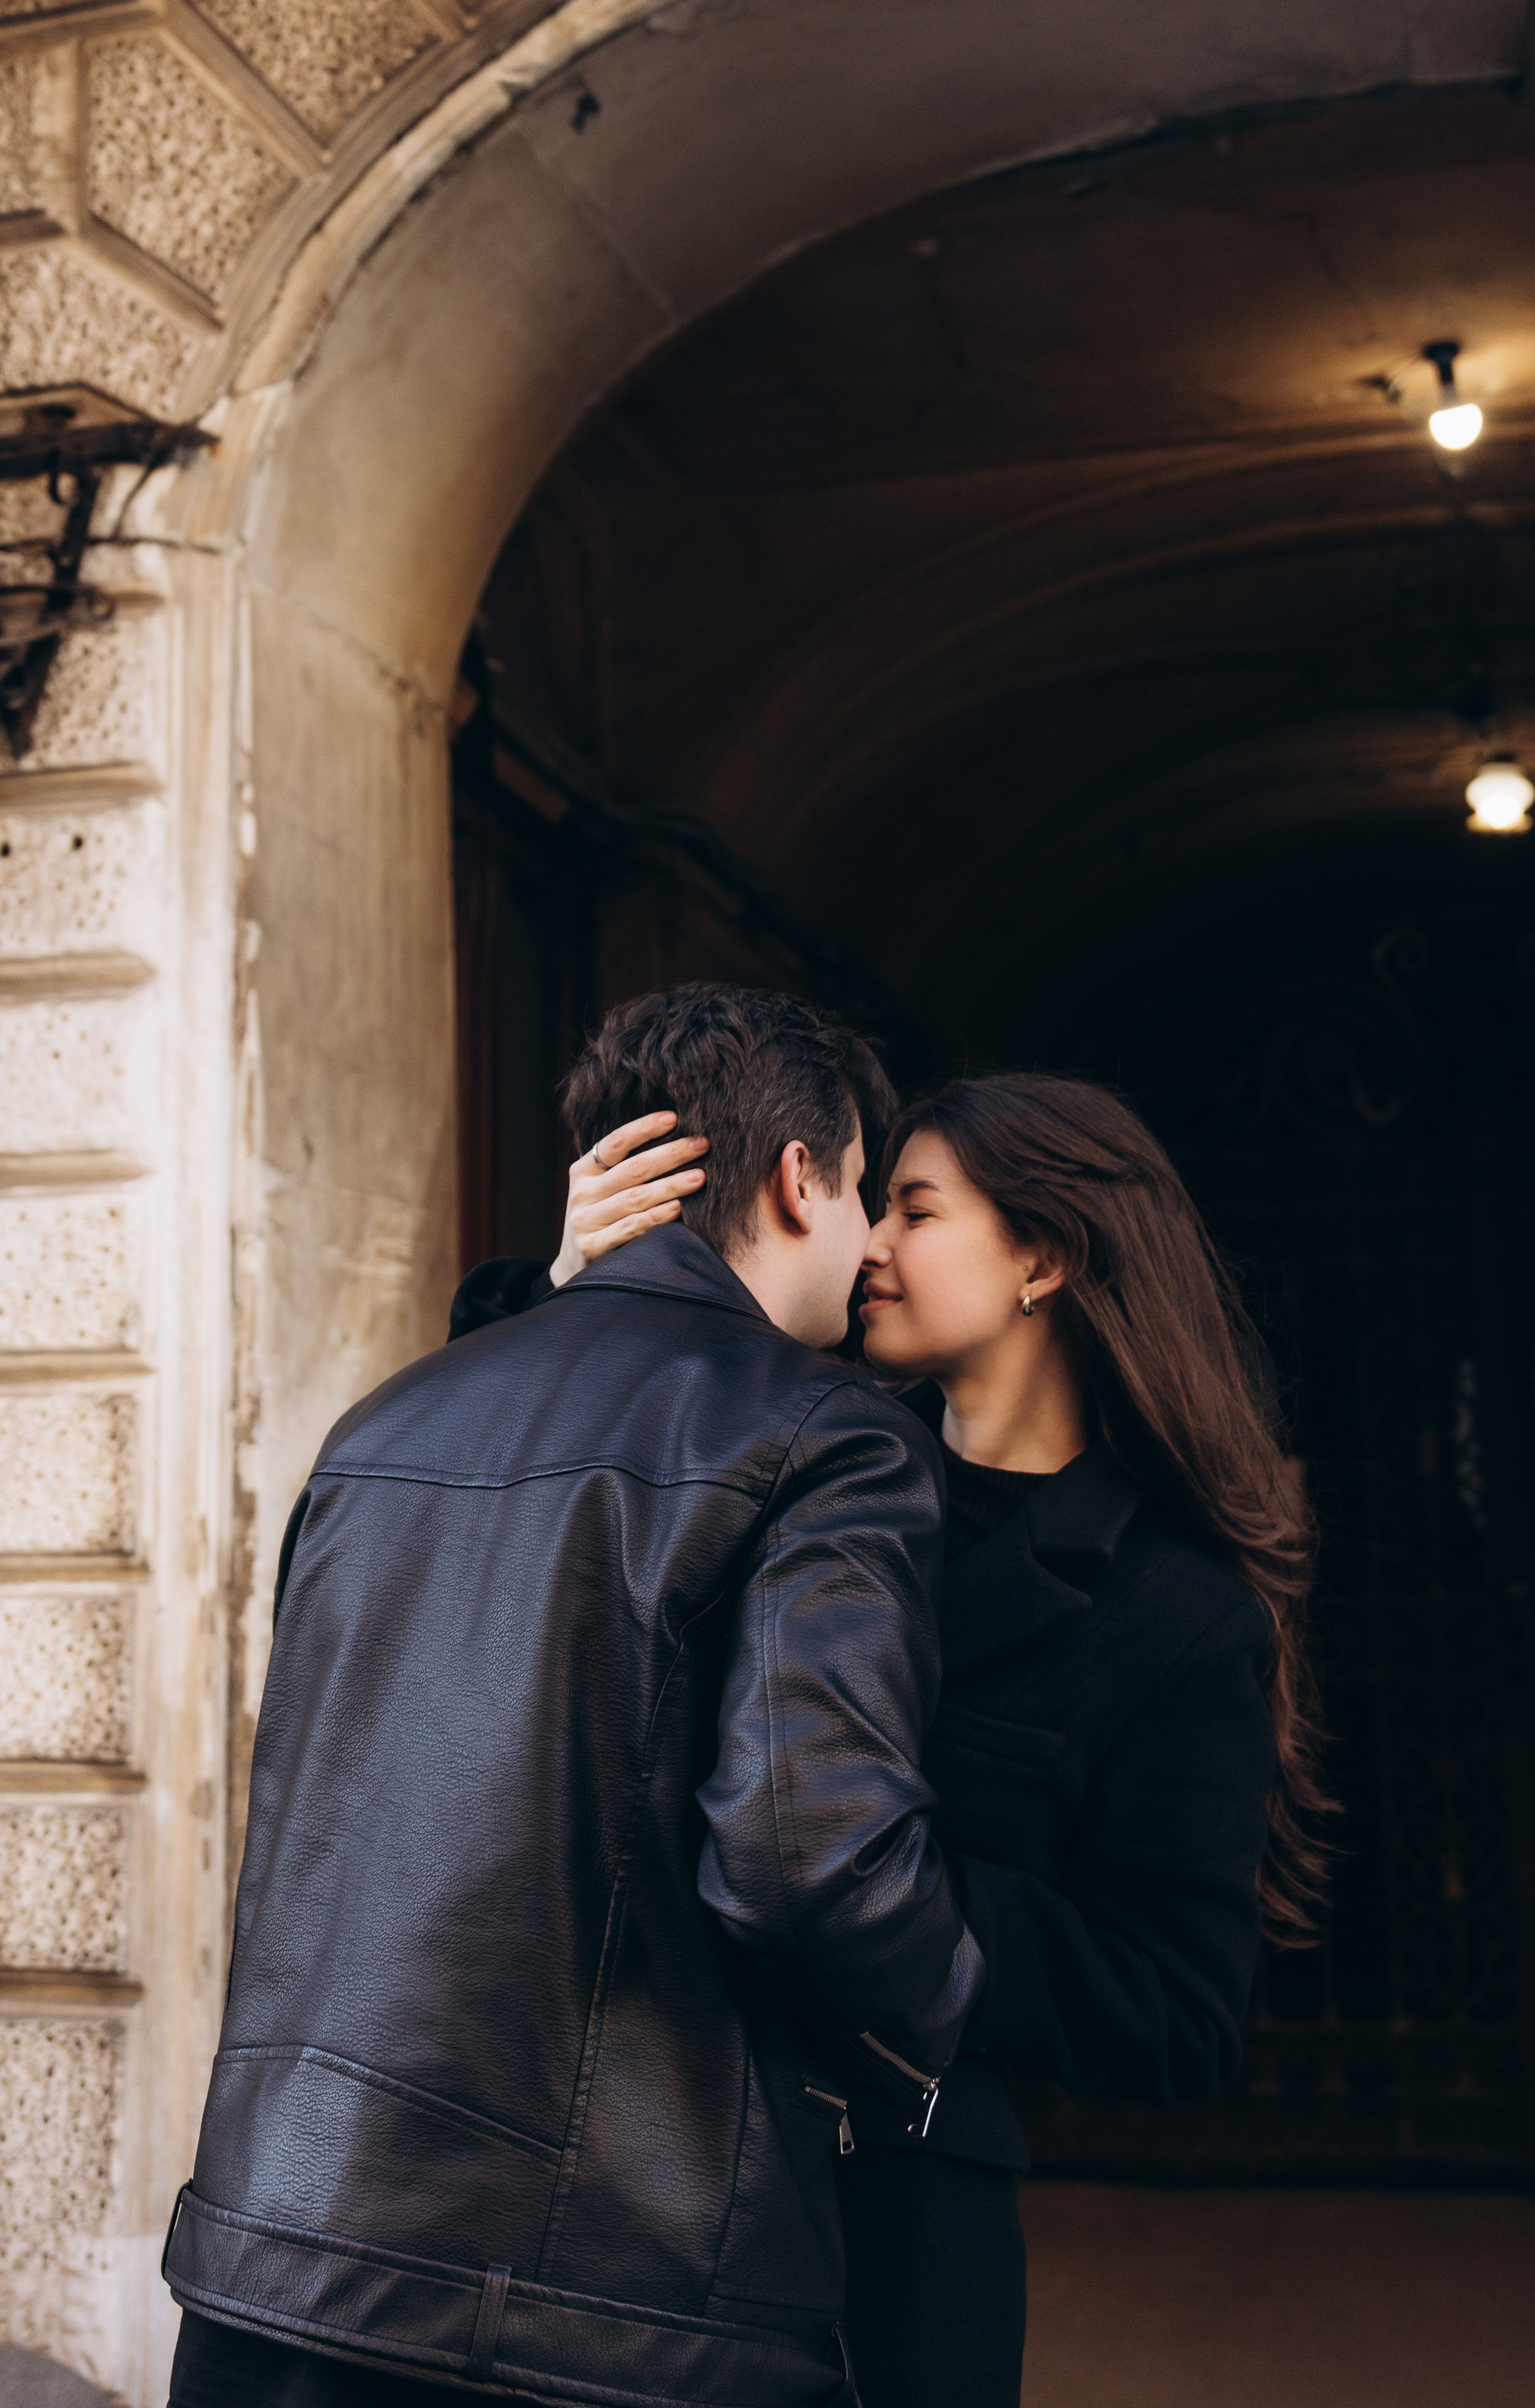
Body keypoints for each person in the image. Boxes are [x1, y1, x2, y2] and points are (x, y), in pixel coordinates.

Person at [165, 983, 985, 2408]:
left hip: (270, 2270)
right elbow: (811, 1856)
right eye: (865, 1194)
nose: (868, 1251)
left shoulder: (382, 1424)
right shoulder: (825, 1437)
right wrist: (942, 2021)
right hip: (602, 2320)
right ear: (801, 1180)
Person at [460, 1066, 1329, 2408]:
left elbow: (1180, 2012)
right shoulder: (794, 1456)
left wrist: (891, 1900)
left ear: (1043, 1257)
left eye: (915, 1210)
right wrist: (584, 1297)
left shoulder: (1174, 1614)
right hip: (634, 2171)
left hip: (895, 2224)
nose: (868, 1243)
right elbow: (533, 1529)